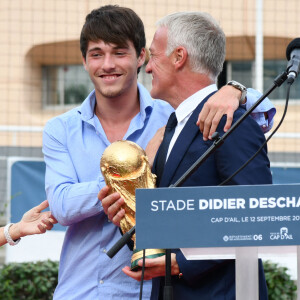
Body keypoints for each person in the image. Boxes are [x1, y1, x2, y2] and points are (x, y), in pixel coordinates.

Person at [43, 5, 274, 299]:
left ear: (174, 57)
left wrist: (236, 89)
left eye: (150, 56)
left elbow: (257, 220)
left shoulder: (207, 118)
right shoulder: (174, 125)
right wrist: (127, 198)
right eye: (96, 54)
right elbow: (162, 225)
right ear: (85, 61)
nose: (149, 68)